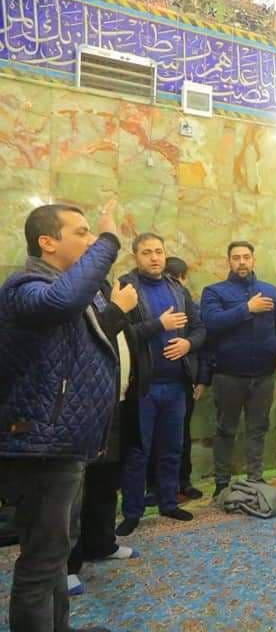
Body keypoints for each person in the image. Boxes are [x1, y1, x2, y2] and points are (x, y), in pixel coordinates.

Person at [0, 202, 123, 632]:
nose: (89, 241)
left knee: (56, 552)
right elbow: (61, 301)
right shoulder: (25, 287)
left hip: (63, 443)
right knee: (41, 562)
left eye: (92, 233)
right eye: (81, 232)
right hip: (41, 445)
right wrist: (109, 240)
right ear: (47, 242)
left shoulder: (66, 288)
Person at [115, 233, 206, 536]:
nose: (154, 258)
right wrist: (159, 325)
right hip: (142, 387)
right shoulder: (126, 288)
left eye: (159, 252)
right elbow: (121, 334)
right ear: (135, 256)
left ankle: (168, 502)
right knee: (137, 453)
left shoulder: (177, 289)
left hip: (176, 386)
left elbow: (200, 328)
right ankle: (132, 512)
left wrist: (188, 344)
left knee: (171, 449)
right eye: (147, 252)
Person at [67, 237, 142, 596]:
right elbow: (86, 337)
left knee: (105, 480)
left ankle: (101, 543)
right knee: (72, 491)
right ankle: (66, 565)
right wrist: (118, 308)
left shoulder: (104, 289)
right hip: (84, 408)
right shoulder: (65, 293)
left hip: (117, 402)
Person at [200, 241, 276, 497]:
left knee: (258, 429)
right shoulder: (214, 292)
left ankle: (256, 479)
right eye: (236, 257)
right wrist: (247, 309)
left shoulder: (271, 292)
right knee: (225, 430)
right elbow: (211, 323)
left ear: (253, 260)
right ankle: (221, 483)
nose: (242, 262)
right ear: (228, 261)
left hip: (264, 375)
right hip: (227, 376)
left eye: (246, 257)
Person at [163, 256, 204, 501]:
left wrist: (201, 379)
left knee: (181, 435)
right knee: (154, 438)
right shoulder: (147, 301)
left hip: (184, 379)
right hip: (153, 381)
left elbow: (202, 335)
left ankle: (183, 482)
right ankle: (156, 487)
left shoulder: (188, 302)